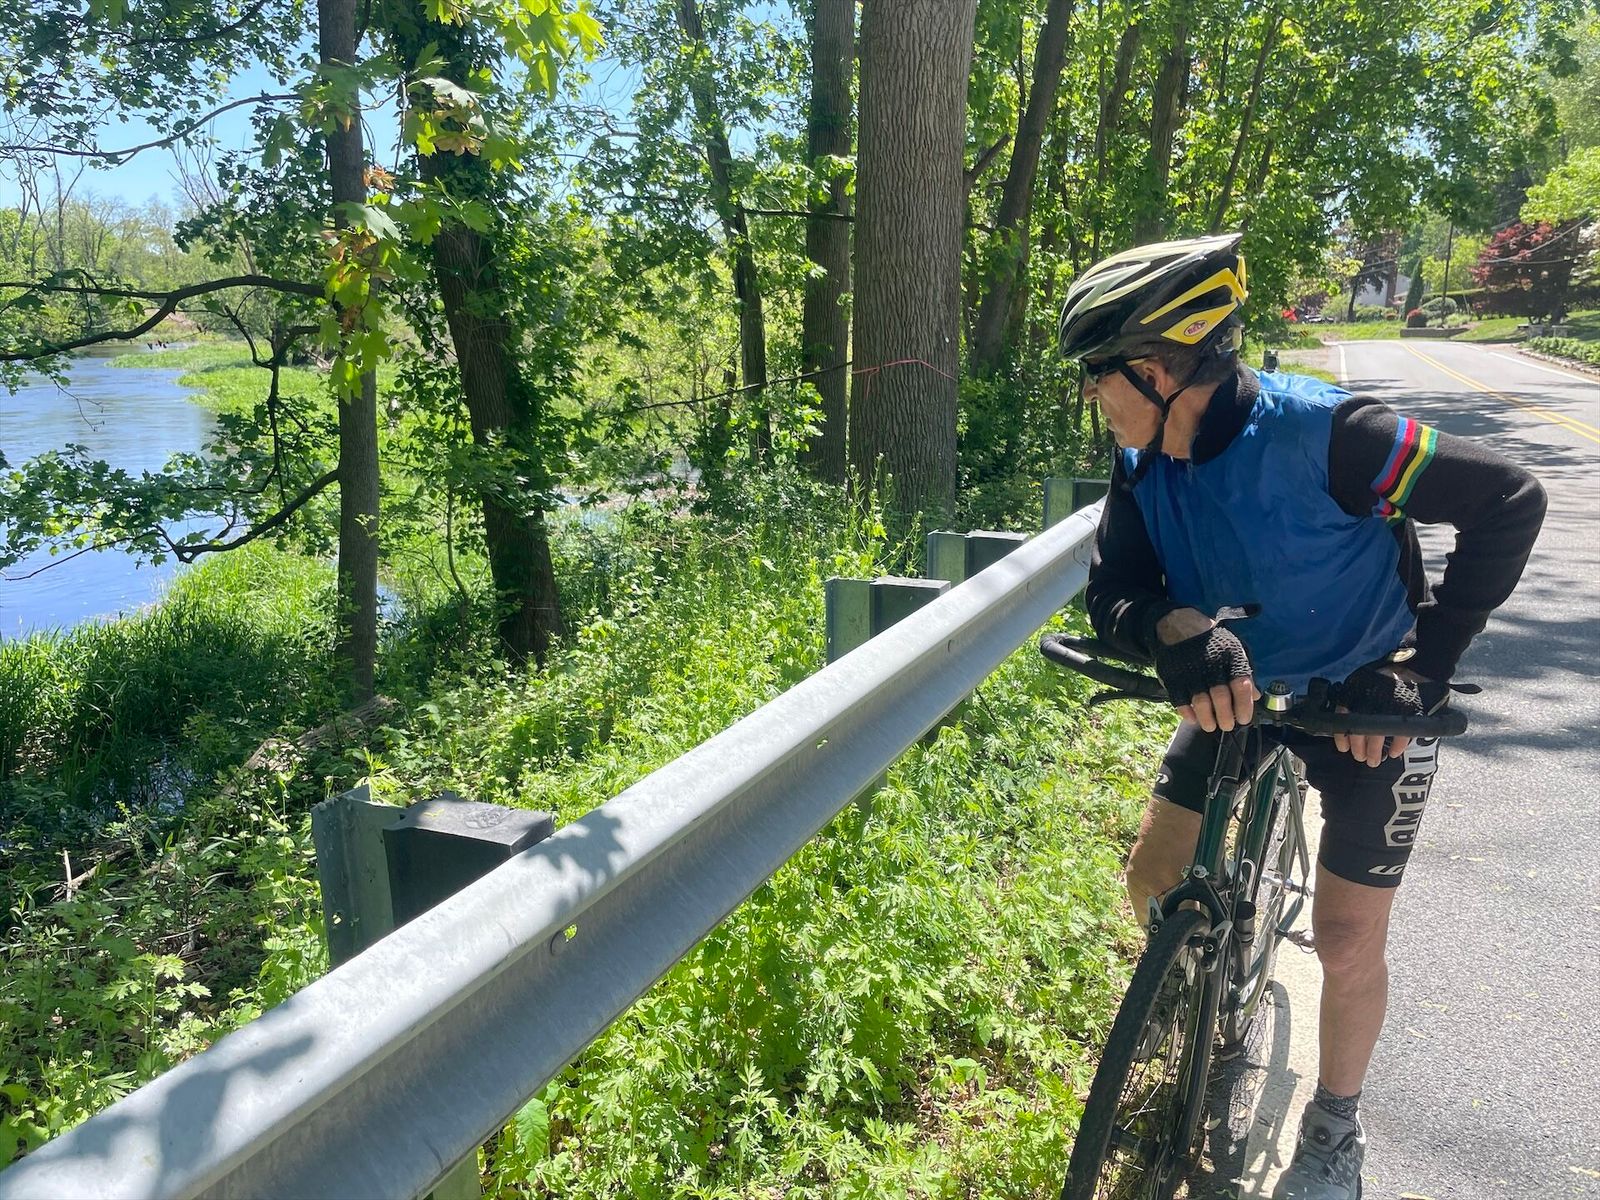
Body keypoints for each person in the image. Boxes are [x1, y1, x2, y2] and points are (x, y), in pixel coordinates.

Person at [1057, 233, 1546, 1198]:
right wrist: (1169, 627)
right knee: (1152, 874)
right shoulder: (1140, 459)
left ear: (1159, 369)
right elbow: (1112, 590)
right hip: (1238, 690)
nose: (1091, 394)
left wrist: (1421, 671)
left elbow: (1510, 498)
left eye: (1098, 372)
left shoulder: (1335, 436)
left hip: (1364, 701)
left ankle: (1334, 1129)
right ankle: (1190, 995)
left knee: (1347, 938)